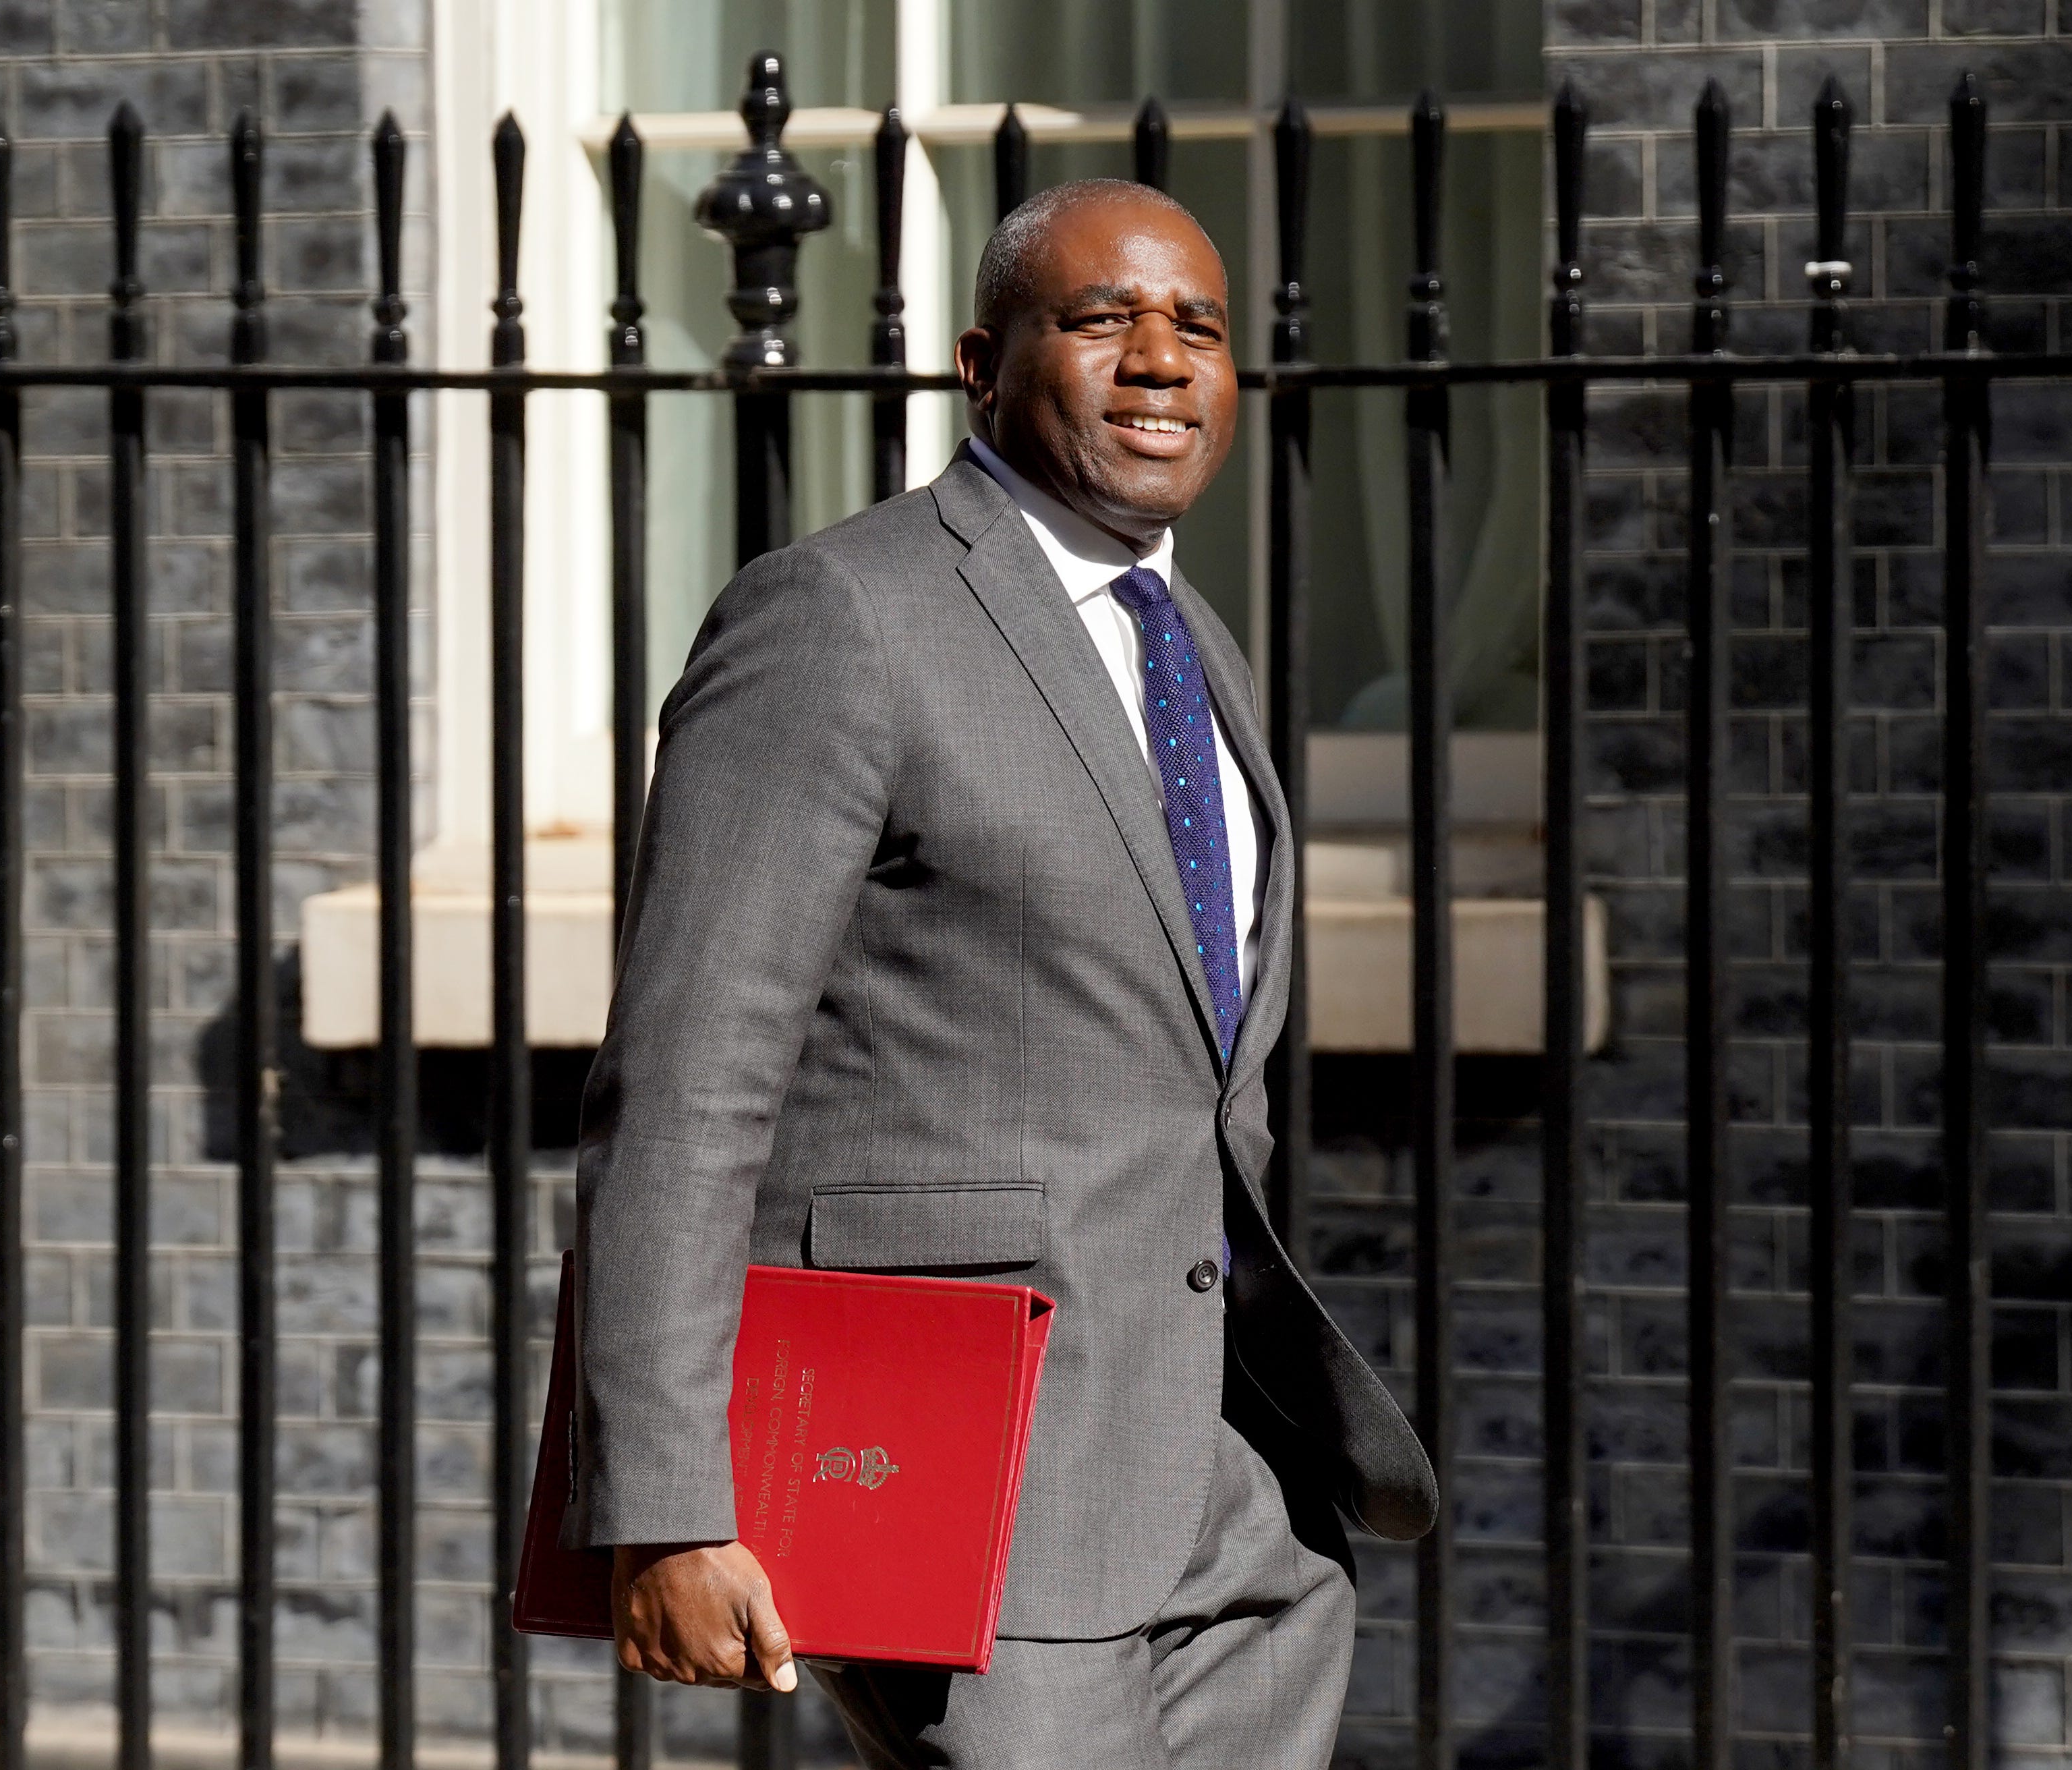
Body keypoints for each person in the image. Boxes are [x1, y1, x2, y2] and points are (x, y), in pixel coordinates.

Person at [571, 177, 1435, 1768]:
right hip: (978, 1497)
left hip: (1238, 1502)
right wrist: (669, 1505)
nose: (1162, 358)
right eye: (1103, 319)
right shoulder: (840, 616)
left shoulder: (1193, 646)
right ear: (981, 360)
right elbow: (686, 1083)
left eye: (1201, 327)